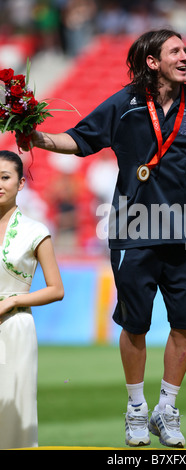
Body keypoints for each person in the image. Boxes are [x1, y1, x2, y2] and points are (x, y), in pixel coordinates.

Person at [18, 29, 186, 448]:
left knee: (185, 324)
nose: (185, 56)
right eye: (175, 51)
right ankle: (137, 408)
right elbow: (80, 139)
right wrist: (39, 139)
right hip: (134, 229)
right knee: (135, 325)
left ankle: (168, 408)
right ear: (152, 62)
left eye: (185, 49)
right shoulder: (124, 105)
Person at [0, 150, 64, 449]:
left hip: (15, 326)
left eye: (5, 177)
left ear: (21, 183)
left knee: (14, 411)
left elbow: (56, 289)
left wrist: (11, 301)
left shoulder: (35, 231)